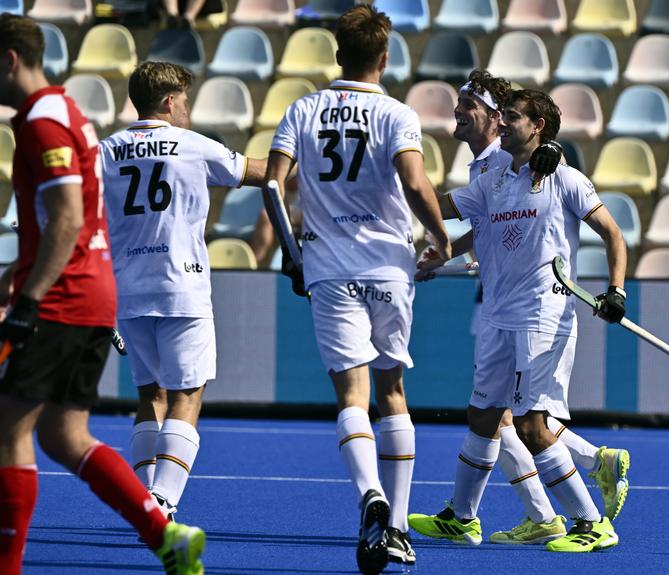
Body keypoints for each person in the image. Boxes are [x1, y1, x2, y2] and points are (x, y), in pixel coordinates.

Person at [0, 14, 205, 575]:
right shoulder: (67, 111)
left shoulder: (42, 122)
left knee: (9, 430)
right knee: (65, 435)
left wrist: (27, 297)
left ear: (10, 61)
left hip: (64, 296)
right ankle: (166, 537)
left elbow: (66, 220)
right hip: (93, 293)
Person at [264, 5, 451, 574]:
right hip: (389, 267)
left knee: (352, 396)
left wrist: (291, 253)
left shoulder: (303, 108)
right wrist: (442, 239)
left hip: (327, 265)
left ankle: (368, 494)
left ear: (338, 54)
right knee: (393, 393)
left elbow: (273, 185)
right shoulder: (397, 113)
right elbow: (415, 183)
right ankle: (395, 524)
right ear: (385, 57)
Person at [416, 71, 631, 544]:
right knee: (482, 416)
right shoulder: (494, 179)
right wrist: (398, 185)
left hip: (543, 315)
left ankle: (591, 524)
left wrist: (616, 291)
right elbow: (443, 206)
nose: (503, 123)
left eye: (512, 117)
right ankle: (461, 518)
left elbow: (614, 235)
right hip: (497, 313)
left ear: (538, 126)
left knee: (534, 427)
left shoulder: (567, 178)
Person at [99, 61, 266, 521]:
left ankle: (145, 502)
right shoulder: (193, 146)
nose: (188, 110)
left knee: (149, 395)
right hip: (181, 285)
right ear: (170, 102)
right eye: (186, 101)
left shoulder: (107, 150)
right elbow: (260, 173)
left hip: (129, 290)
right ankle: (162, 503)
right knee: (186, 395)